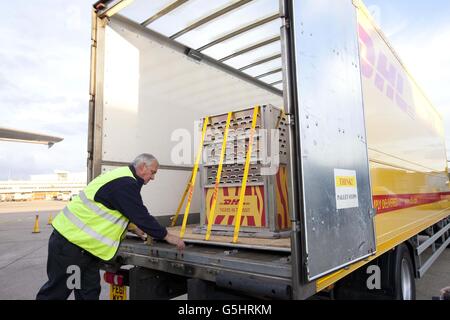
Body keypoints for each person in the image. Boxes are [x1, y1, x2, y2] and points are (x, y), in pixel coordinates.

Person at [36, 153, 185, 300]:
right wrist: (167, 236)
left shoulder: (123, 178)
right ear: (142, 167)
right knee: (57, 292)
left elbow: (115, 207)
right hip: (70, 245)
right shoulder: (125, 183)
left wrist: (133, 227)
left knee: (89, 293)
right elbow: (140, 215)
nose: (153, 177)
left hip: (86, 249)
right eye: (152, 173)